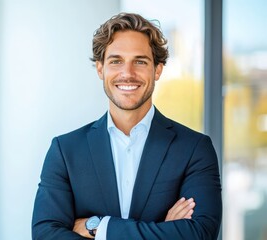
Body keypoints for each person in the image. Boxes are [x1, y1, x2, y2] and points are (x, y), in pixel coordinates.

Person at [32, 12, 222, 240]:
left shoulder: (194, 148)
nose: (127, 74)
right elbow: (45, 235)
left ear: (158, 69)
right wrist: (162, 230)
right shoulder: (65, 151)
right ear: (100, 69)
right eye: (116, 61)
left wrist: (99, 228)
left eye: (140, 62)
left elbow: (199, 234)